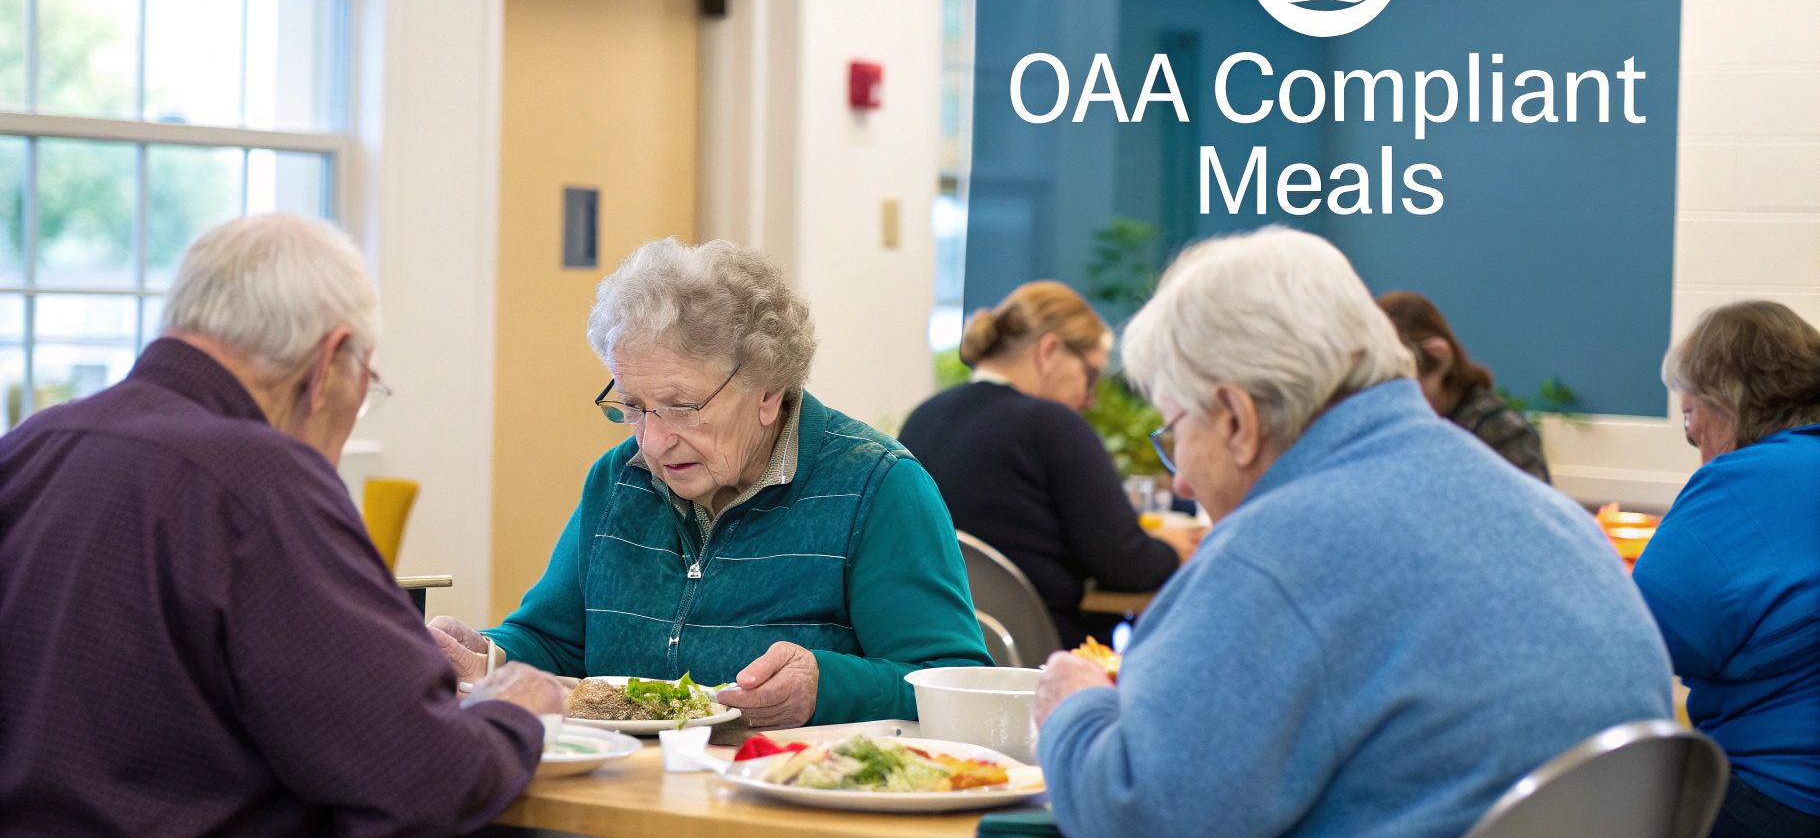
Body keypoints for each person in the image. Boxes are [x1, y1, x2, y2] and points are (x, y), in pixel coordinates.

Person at [1033, 227, 1672, 838]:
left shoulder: (1275, 555)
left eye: (1176, 433)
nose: (1182, 485)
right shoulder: (1556, 521)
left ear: (1237, 419)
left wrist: (1073, 710)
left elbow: (1140, 815)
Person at [0, 214, 564, 836]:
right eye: (367, 381)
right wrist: (513, 713)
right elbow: (425, 779)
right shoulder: (259, 481)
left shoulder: (31, 446)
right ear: (328, 363)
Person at [429, 238, 990, 727]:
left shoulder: (876, 488)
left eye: (680, 407)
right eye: (632, 406)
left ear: (768, 391)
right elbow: (553, 642)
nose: (650, 441)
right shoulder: (617, 480)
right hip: (622, 798)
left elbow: (955, 682)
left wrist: (827, 686)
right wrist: (486, 655)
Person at [899, 281, 1201, 649]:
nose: (1090, 400)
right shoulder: (1051, 425)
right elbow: (1127, 564)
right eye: (1090, 376)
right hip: (1041, 658)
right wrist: (1174, 547)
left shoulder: (922, 419)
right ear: (1050, 351)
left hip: (940, 652)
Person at [1634, 301, 1820, 838]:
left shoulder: (1741, 483)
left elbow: (1638, 637)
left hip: (1779, 796)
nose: (1699, 453)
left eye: (1691, 422)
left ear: (1725, 399)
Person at [1377, 290, 1551, 482]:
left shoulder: (1502, 431)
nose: (1395, 400)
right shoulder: (1396, 430)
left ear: (1439, 357)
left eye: (1405, 385)